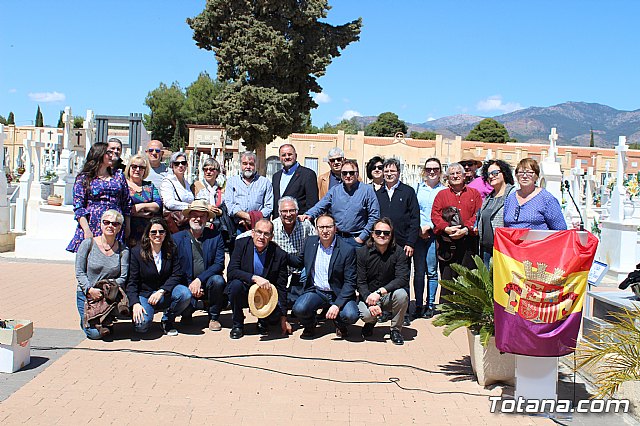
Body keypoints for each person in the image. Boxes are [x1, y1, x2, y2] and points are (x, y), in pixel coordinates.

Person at [291, 214, 359, 339]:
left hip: (338, 293)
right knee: (299, 308)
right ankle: (310, 325)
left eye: (328, 227)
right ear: (316, 229)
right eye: (321, 227)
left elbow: (350, 282)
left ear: (335, 228)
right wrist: (277, 253)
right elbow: (298, 262)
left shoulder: (347, 250)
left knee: (351, 315)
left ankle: (340, 323)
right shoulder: (310, 242)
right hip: (317, 291)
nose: (325, 231)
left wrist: (337, 305)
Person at [225, 219, 291, 339]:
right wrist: (254, 278)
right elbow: (231, 272)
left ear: (271, 237)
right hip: (244, 289)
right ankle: (238, 324)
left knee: (275, 318)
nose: (261, 237)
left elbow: (282, 286)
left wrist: (284, 318)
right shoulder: (241, 244)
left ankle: (263, 320)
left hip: (265, 294)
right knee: (235, 286)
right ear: (252, 233)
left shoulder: (279, 254)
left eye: (266, 234)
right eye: (259, 232)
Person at [126, 218, 192, 336]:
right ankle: (145, 315)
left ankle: (167, 320)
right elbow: (132, 281)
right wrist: (135, 303)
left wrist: (162, 290)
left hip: (165, 292)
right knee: (142, 326)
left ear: (166, 234)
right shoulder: (137, 252)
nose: (158, 235)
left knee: (185, 294)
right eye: (153, 232)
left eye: (161, 232)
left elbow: (176, 274)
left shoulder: (171, 250)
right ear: (148, 234)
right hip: (145, 294)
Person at [375, 157, 419, 325]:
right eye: (386, 171)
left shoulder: (408, 192)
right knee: (385, 277)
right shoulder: (378, 194)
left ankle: (404, 312)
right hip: (383, 244)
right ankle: (387, 310)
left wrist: (411, 242)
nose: (389, 174)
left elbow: (415, 219)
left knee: (402, 278)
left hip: (403, 244)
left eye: (392, 171)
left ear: (399, 173)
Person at [75, 210, 129, 339]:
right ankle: (89, 320)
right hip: (87, 295)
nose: (110, 226)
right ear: (101, 224)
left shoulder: (123, 250)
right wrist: (90, 289)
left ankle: (105, 318)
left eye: (115, 224)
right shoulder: (88, 244)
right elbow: (79, 271)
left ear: (119, 227)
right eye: (106, 222)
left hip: (109, 295)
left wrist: (107, 289)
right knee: (94, 335)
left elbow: (123, 276)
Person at [67, 142, 131, 253]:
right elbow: (79, 206)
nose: (113, 155)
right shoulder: (84, 178)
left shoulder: (118, 176)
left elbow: (126, 202)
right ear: (99, 154)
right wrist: (86, 229)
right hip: (93, 224)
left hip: (114, 224)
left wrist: (127, 226)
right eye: (109, 153)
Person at [173, 200, 226, 332]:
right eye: (194, 215)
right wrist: (191, 284)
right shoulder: (177, 238)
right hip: (186, 282)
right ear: (189, 217)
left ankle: (214, 317)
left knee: (218, 281)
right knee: (181, 291)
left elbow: (219, 264)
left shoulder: (215, 236)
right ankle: (186, 313)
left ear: (207, 218)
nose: (198, 219)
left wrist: (199, 280)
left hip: (207, 281)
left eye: (202, 216)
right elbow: (176, 267)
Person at [303, 160, 380, 248]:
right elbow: (320, 206)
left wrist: (361, 238)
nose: (348, 176)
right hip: (337, 238)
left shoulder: (367, 191)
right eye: (344, 173)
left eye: (351, 173)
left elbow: (374, 216)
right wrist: (308, 215)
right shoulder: (335, 190)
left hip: (357, 240)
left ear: (357, 174)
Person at [357, 218, 409, 345]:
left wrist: (380, 292)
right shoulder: (362, 253)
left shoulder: (398, 252)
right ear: (372, 234)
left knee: (402, 295)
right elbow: (360, 282)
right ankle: (371, 323)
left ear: (391, 235)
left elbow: (402, 278)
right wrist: (370, 301)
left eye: (386, 233)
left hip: (388, 295)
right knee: (366, 315)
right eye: (378, 232)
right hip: (369, 296)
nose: (382, 235)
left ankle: (395, 330)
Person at [431, 163, 482, 285]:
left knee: (467, 281)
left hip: (468, 241)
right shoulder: (441, 195)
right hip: (447, 243)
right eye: (452, 174)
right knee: (447, 281)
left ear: (464, 176)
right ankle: (445, 305)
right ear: (448, 177)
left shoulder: (474, 193)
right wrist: (446, 228)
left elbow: (478, 214)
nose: (455, 176)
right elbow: (435, 215)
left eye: (458, 173)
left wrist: (465, 229)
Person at [413, 158, 445, 319]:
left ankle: (430, 304)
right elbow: (413, 210)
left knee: (432, 271)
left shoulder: (444, 191)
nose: (432, 172)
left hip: (434, 234)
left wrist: (430, 227)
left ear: (440, 171)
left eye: (436, 169)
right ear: (424, 171)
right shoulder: (418, 188)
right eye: (429, 169)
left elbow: (445, 214)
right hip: (418, 235)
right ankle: (418, 304)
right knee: (419, 271)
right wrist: (418, 228)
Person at [503, 158, 567, 230]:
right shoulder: (510, 199)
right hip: (512, 240)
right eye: (521, 172)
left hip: (537, 241)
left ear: (536, 176)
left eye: (529, 173)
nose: (524, 176)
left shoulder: (546, 199)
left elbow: (560, 229)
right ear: (516, 176)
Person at [476, 159, 515, 268]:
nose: (491, 176)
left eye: (495, 173)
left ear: (504, 173)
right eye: (488, 175)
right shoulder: (489, 197)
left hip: (503, 250)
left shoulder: (512, 194)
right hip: (486, 250)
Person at [223, 151, 273, 232]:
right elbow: (229, 205)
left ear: (255, 165)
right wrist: (247, 217)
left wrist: (254, 219)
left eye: (251, 164)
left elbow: (269, 207)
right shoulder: (231, 182)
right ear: (240, 164)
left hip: (259, 227)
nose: (248, 167)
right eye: (245, 163)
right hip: (238, 227)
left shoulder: (265, 182)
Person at [125, 154, 162, 247]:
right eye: (134, 166)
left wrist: (140, 206)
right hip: (129, 230)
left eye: (141, 167)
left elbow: (158, 204)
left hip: (148, 231)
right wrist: (139, 213)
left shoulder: (149, 186)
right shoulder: (123, 185)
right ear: (129, 168)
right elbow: (123, 207)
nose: (137, 170)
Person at [272, 144, 319, 218]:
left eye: (290, 154)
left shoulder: (308, 174)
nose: (287, 157)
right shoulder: (276, 176)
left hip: (299, 222)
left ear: (296, 156)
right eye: (283, 155)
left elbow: (312, 203)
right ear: (280, 158)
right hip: (279, 222)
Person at [160, 151, 194, 233]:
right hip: (175, 224)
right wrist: (190, 206)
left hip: (187, 223)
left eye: (183, 163)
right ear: (172, 166)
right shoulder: (168, 181)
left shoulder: (187, 183)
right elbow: (169, 203)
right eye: (177, 164)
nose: (180, 166)